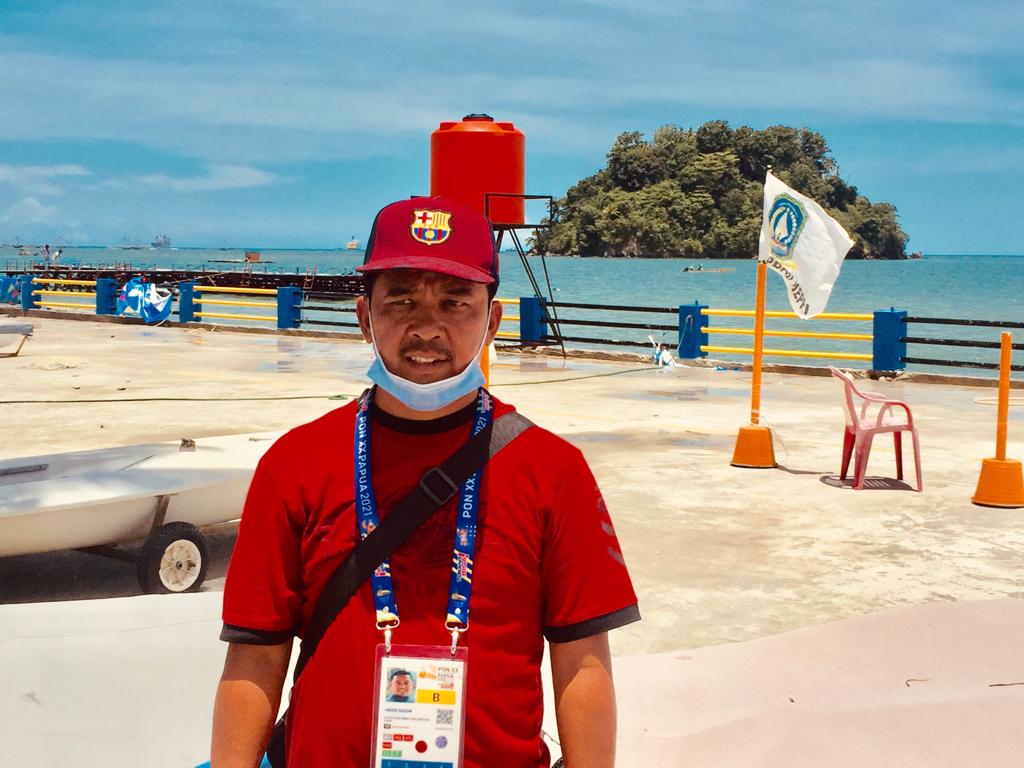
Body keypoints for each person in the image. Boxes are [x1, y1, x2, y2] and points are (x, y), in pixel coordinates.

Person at [211, 196, 639, 767]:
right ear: (365, 317)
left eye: (455, 301)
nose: (427, 327)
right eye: (402, 299)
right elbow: (255, 655)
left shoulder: (554, 470)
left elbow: (581, 658)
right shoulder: (294, 464)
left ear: (492, 320)